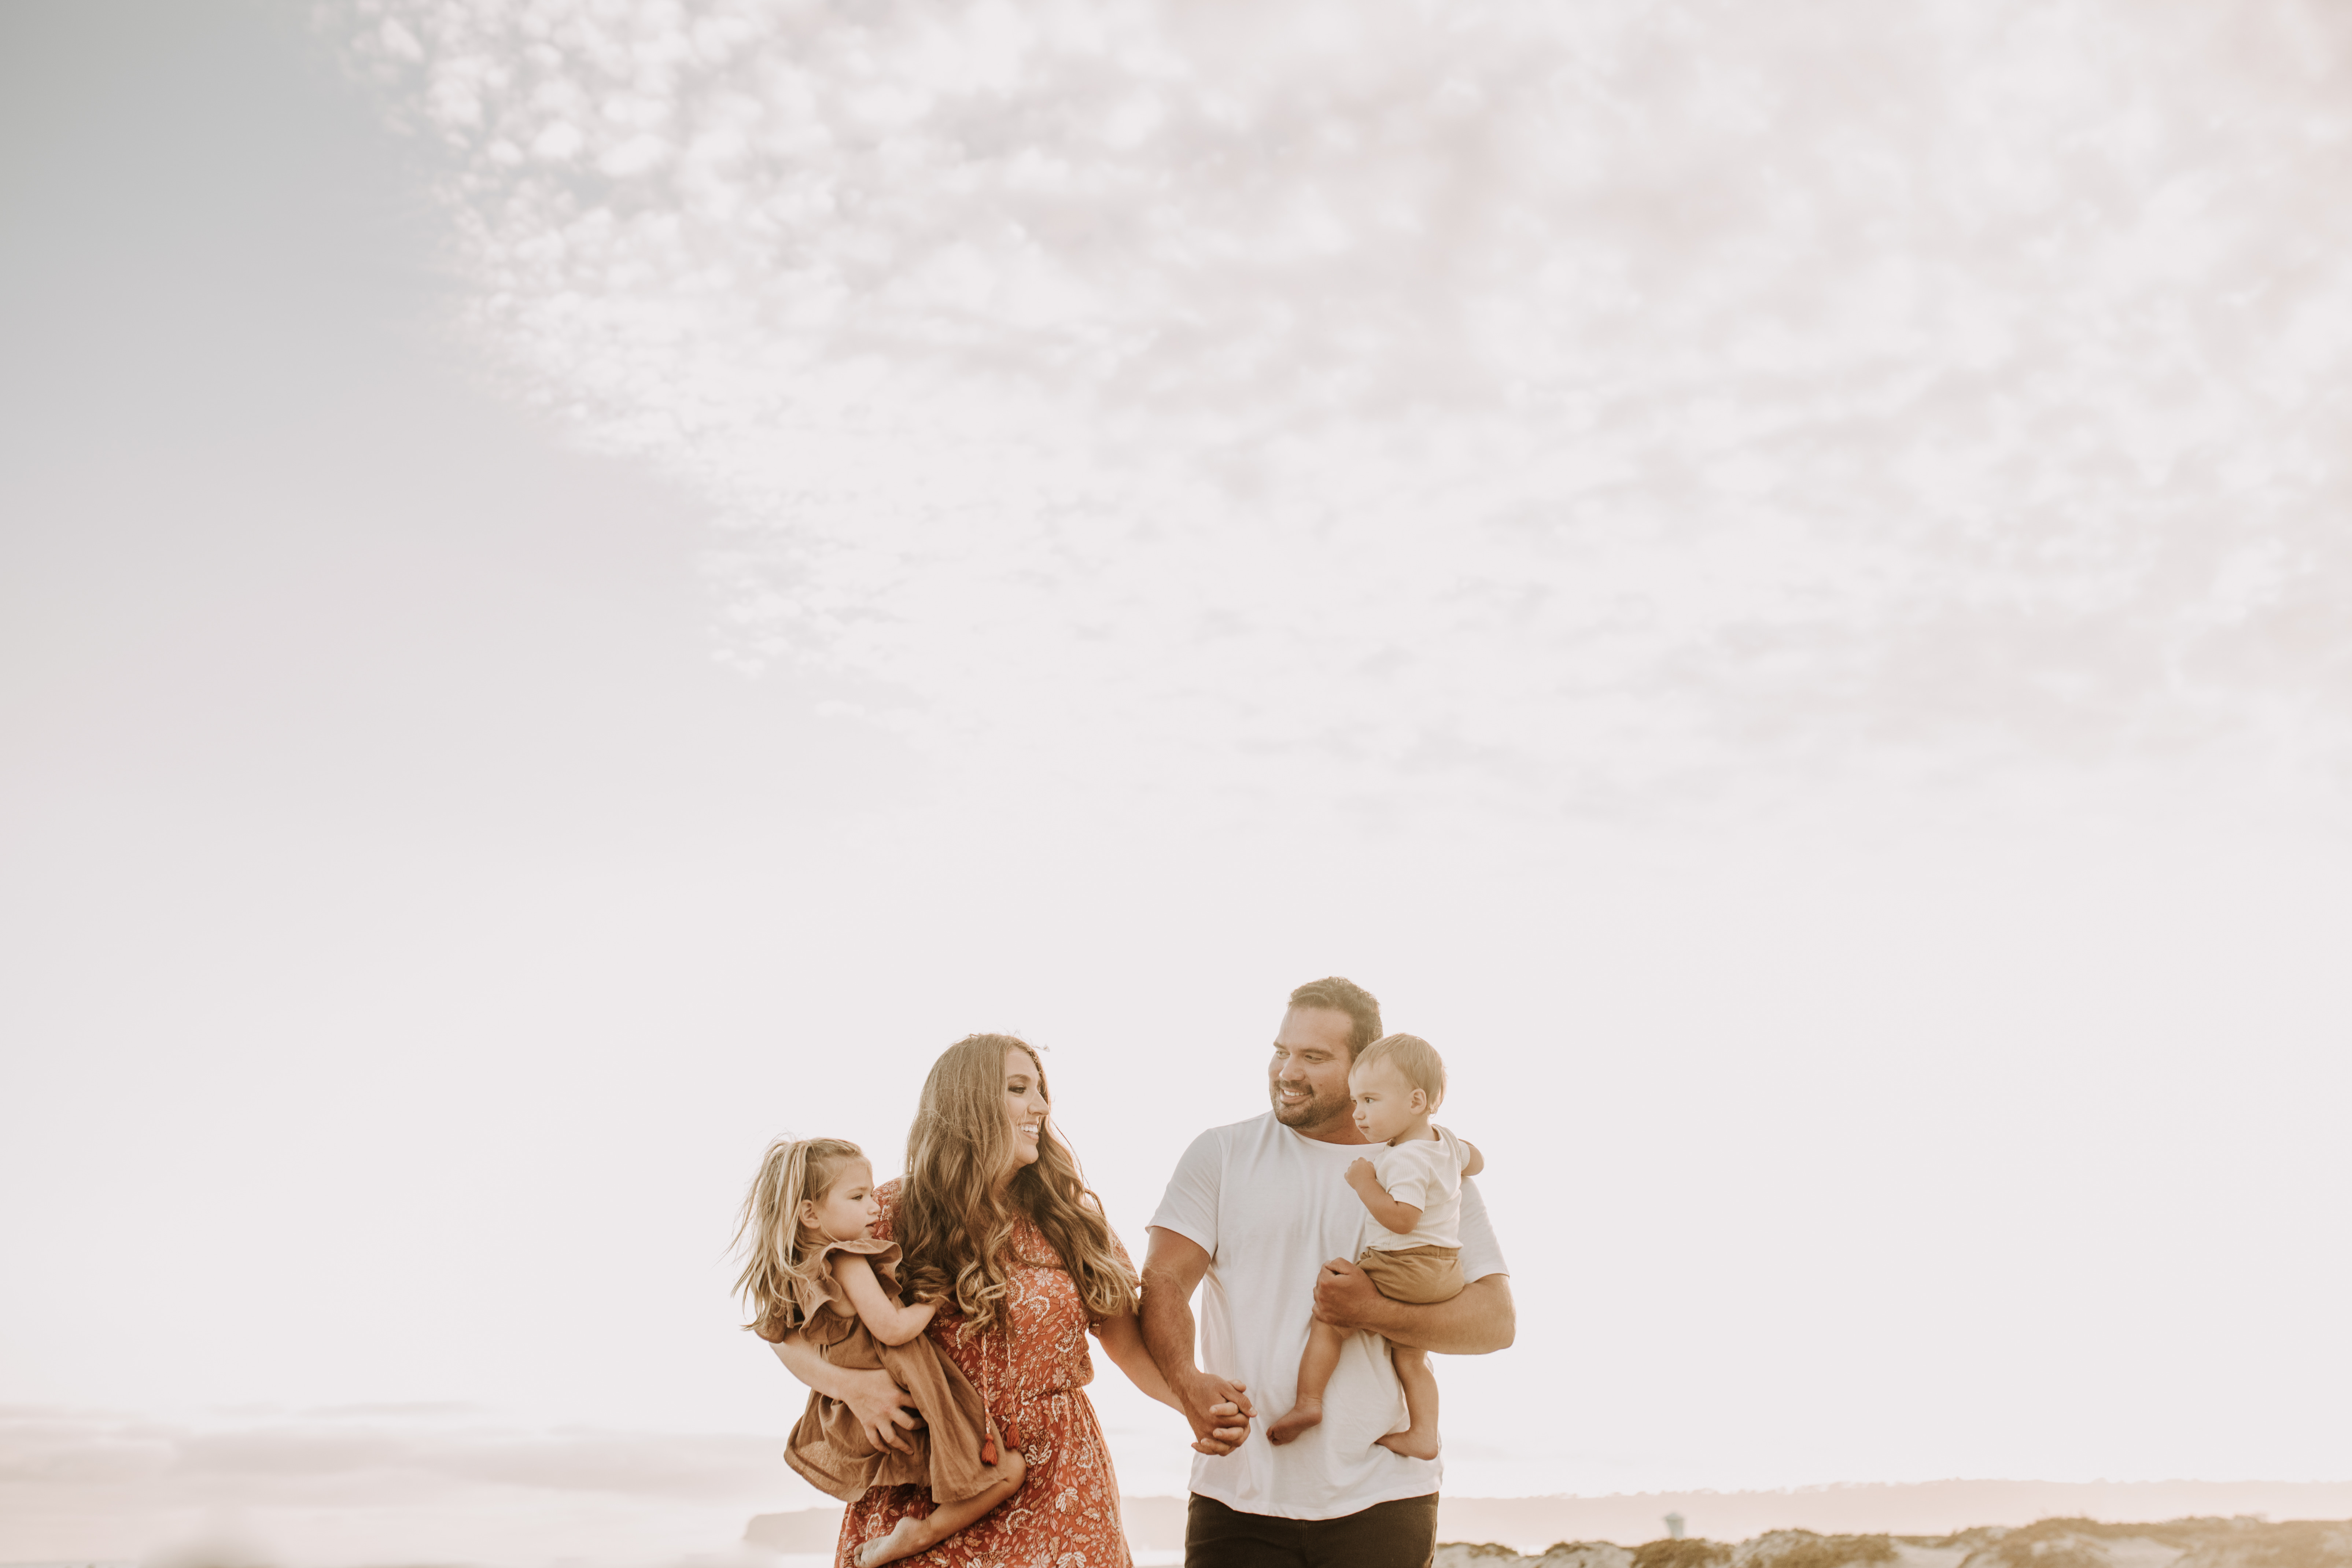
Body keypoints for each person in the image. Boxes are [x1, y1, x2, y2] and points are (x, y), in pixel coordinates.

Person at [770, 1033, 1246, 1568]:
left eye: (1041, 1090)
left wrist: (1194, 1401)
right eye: (1019, 1088)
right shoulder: (885, 1213)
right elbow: (786, 1327)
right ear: (966, 1103)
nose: (1041, 1106)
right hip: (931, 1482)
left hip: (1060, 1487)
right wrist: (854, 1387)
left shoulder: (1072, 1221)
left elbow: (1129, 1347)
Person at [1140, 978, 1515, 1568]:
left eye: (1313, 1057)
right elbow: (1161, 1284)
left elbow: (1495, 1323)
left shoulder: (1428, 1165)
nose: (1287, 1070)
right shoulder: (1221, 1152)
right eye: (1281, 1049)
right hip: (1235, 1494)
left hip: (1384, 1497)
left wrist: (1371, 1311)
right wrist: (1186, 1382)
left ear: (1363, 1064)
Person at [732, 1136, 1029, 1567]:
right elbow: (892, 1329)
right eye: (858, 1197)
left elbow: (776, 1333)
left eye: (871, 1194)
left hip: (863, 1415)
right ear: (810, 1214)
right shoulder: (847, 1258)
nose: (875, 1208)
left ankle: (918, 1529)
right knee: (1009, 1471)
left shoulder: (803, 1271)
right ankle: (921, 1533)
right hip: (912, 1391)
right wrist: (934, 1297)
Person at [1264, 1033, 1482, 1460]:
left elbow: (1403, 1218)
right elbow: (1478, 1160)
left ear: (1417, 1101)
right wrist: (1460, 1159)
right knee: (1411, 1358)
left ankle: (1309, 1402)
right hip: (1443, 1270)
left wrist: (1365, 1182)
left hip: (1403, 1263)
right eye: (1355, 1101)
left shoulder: (1402, 1158)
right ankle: (1423, 1433)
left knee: (1330, 1316)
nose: (1358, 1113)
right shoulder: (1446, 1143)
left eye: (1370, 1101)